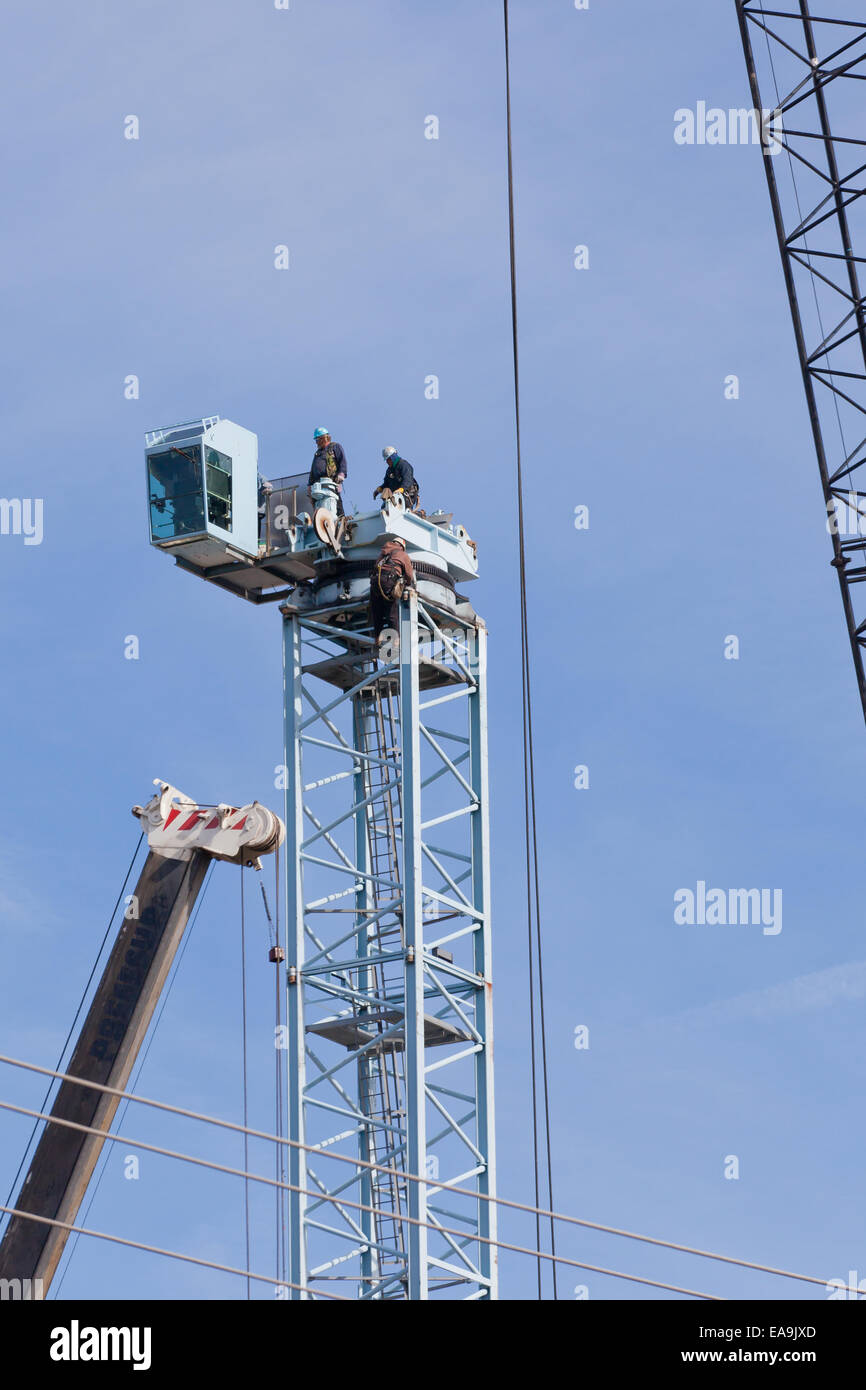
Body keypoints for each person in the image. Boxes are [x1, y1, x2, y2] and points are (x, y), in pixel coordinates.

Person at [369, 536, 415, 646]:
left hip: (375, 582)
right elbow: (409, 574)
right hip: (388, 580)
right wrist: (408, 583)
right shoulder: (403, 554)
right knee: (391, 611)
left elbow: (375, 567)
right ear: (402, 546)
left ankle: (377, 637)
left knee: (377, 612)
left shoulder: (383, 553)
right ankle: (396, 639)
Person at [309, 427, 347, 516]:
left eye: (317, 439)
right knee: (319, 509)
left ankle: (341, 522)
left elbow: (342, 461)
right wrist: (309, 485)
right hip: (318, 485)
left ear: (324, 438)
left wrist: (341, 474)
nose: (316, 442)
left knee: (335, 504)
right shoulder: (317, 453)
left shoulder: (334, 447)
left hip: (331, 482)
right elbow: (313, 470)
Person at [374, 446, 420, 511]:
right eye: (386, 460)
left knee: (400, 506)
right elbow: (387, 483)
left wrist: (401, 489)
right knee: (385, 504)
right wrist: (379, 489)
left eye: (388, 459)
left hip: (407, 495)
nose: (387, 462)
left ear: (393, 457)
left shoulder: (404, 465)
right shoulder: (389, 470)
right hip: (395, 496)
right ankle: (387, 512)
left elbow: (408, 480)